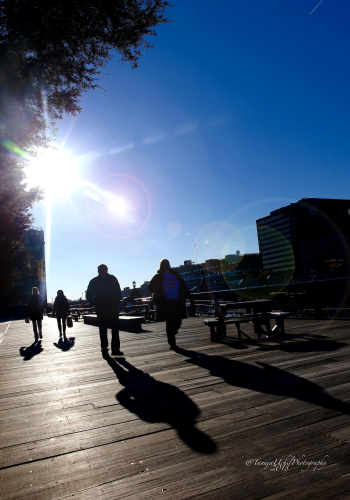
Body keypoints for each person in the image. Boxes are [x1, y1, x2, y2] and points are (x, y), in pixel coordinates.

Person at [148, 259, 193, 351]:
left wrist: (190, 298)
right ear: (161, 266)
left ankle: (173, 332)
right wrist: (156, 287)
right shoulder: (158, 276)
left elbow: (183, 287)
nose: (166, 265)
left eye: (167, 264)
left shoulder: (176, 275)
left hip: (177, 302)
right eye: (164, 264)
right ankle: (172, 343)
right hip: (166, 303)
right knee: (170, 322)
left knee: (178, 322)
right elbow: (150, 287)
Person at [86, 264, 123, 357]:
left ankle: (115, 349)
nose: (103, 272)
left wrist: (116, 302)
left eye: (104, 270)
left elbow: (118, 291)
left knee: (115, 329)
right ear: (98, 271)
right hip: (101, 308)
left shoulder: (113, 279)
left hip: (112, 307)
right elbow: (88, 295)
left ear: (107, 270)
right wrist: (95, 303)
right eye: (101, 271)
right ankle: (104, 348)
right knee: (103, 329)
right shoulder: (94, 281)